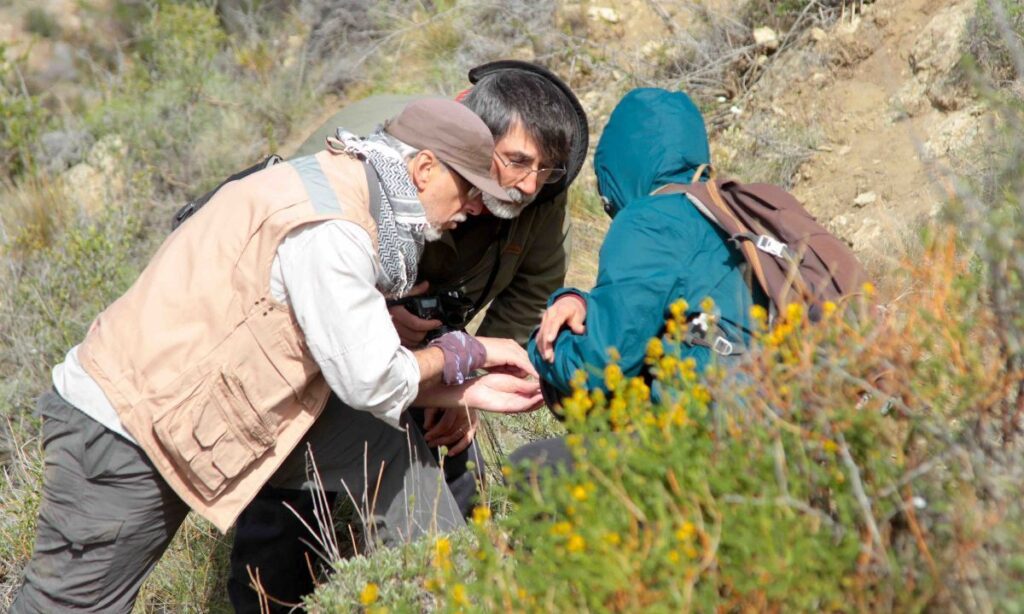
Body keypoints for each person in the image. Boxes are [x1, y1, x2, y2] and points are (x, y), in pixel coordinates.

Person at [12, 98, 545, 614]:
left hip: (197, 413)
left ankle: (452, 596)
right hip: (126, 430)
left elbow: (347, 360)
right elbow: (372, 380)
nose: (476, 207)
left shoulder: (347, 187)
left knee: (385, 446)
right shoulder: (333, 228)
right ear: (424, 168)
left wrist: (462, 388)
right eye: (470, 188)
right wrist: (461, 351)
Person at [228, 61, 588, 612]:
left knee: (450, 464)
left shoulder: (538, 189)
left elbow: (534, 286)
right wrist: (377, 309)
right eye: (515, 163)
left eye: (548, 170)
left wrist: (469, 385)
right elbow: (309, 249)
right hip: (322, 337)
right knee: (294, 485)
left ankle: (455, 582)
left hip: (434, 340)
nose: (530, 183)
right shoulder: (386, 146)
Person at [511, 87, 767, 470]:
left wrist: (540, 347)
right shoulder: (738, 209)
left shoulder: (651, 219)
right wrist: (579, 300)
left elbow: (598, 365)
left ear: (619, 164)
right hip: (789, 421)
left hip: (716, 442)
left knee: (529, 468)